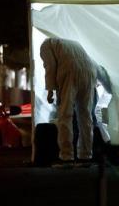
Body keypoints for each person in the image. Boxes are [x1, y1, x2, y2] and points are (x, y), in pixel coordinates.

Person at [40, 37, 97, 167]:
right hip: (89, 71)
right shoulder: (73, 43)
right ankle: (86, 156)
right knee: (86, 116)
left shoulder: (45, 45)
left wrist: (50, 90)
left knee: (65, 115)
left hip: (69, 71)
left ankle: (67, 157)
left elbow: (50, 66)